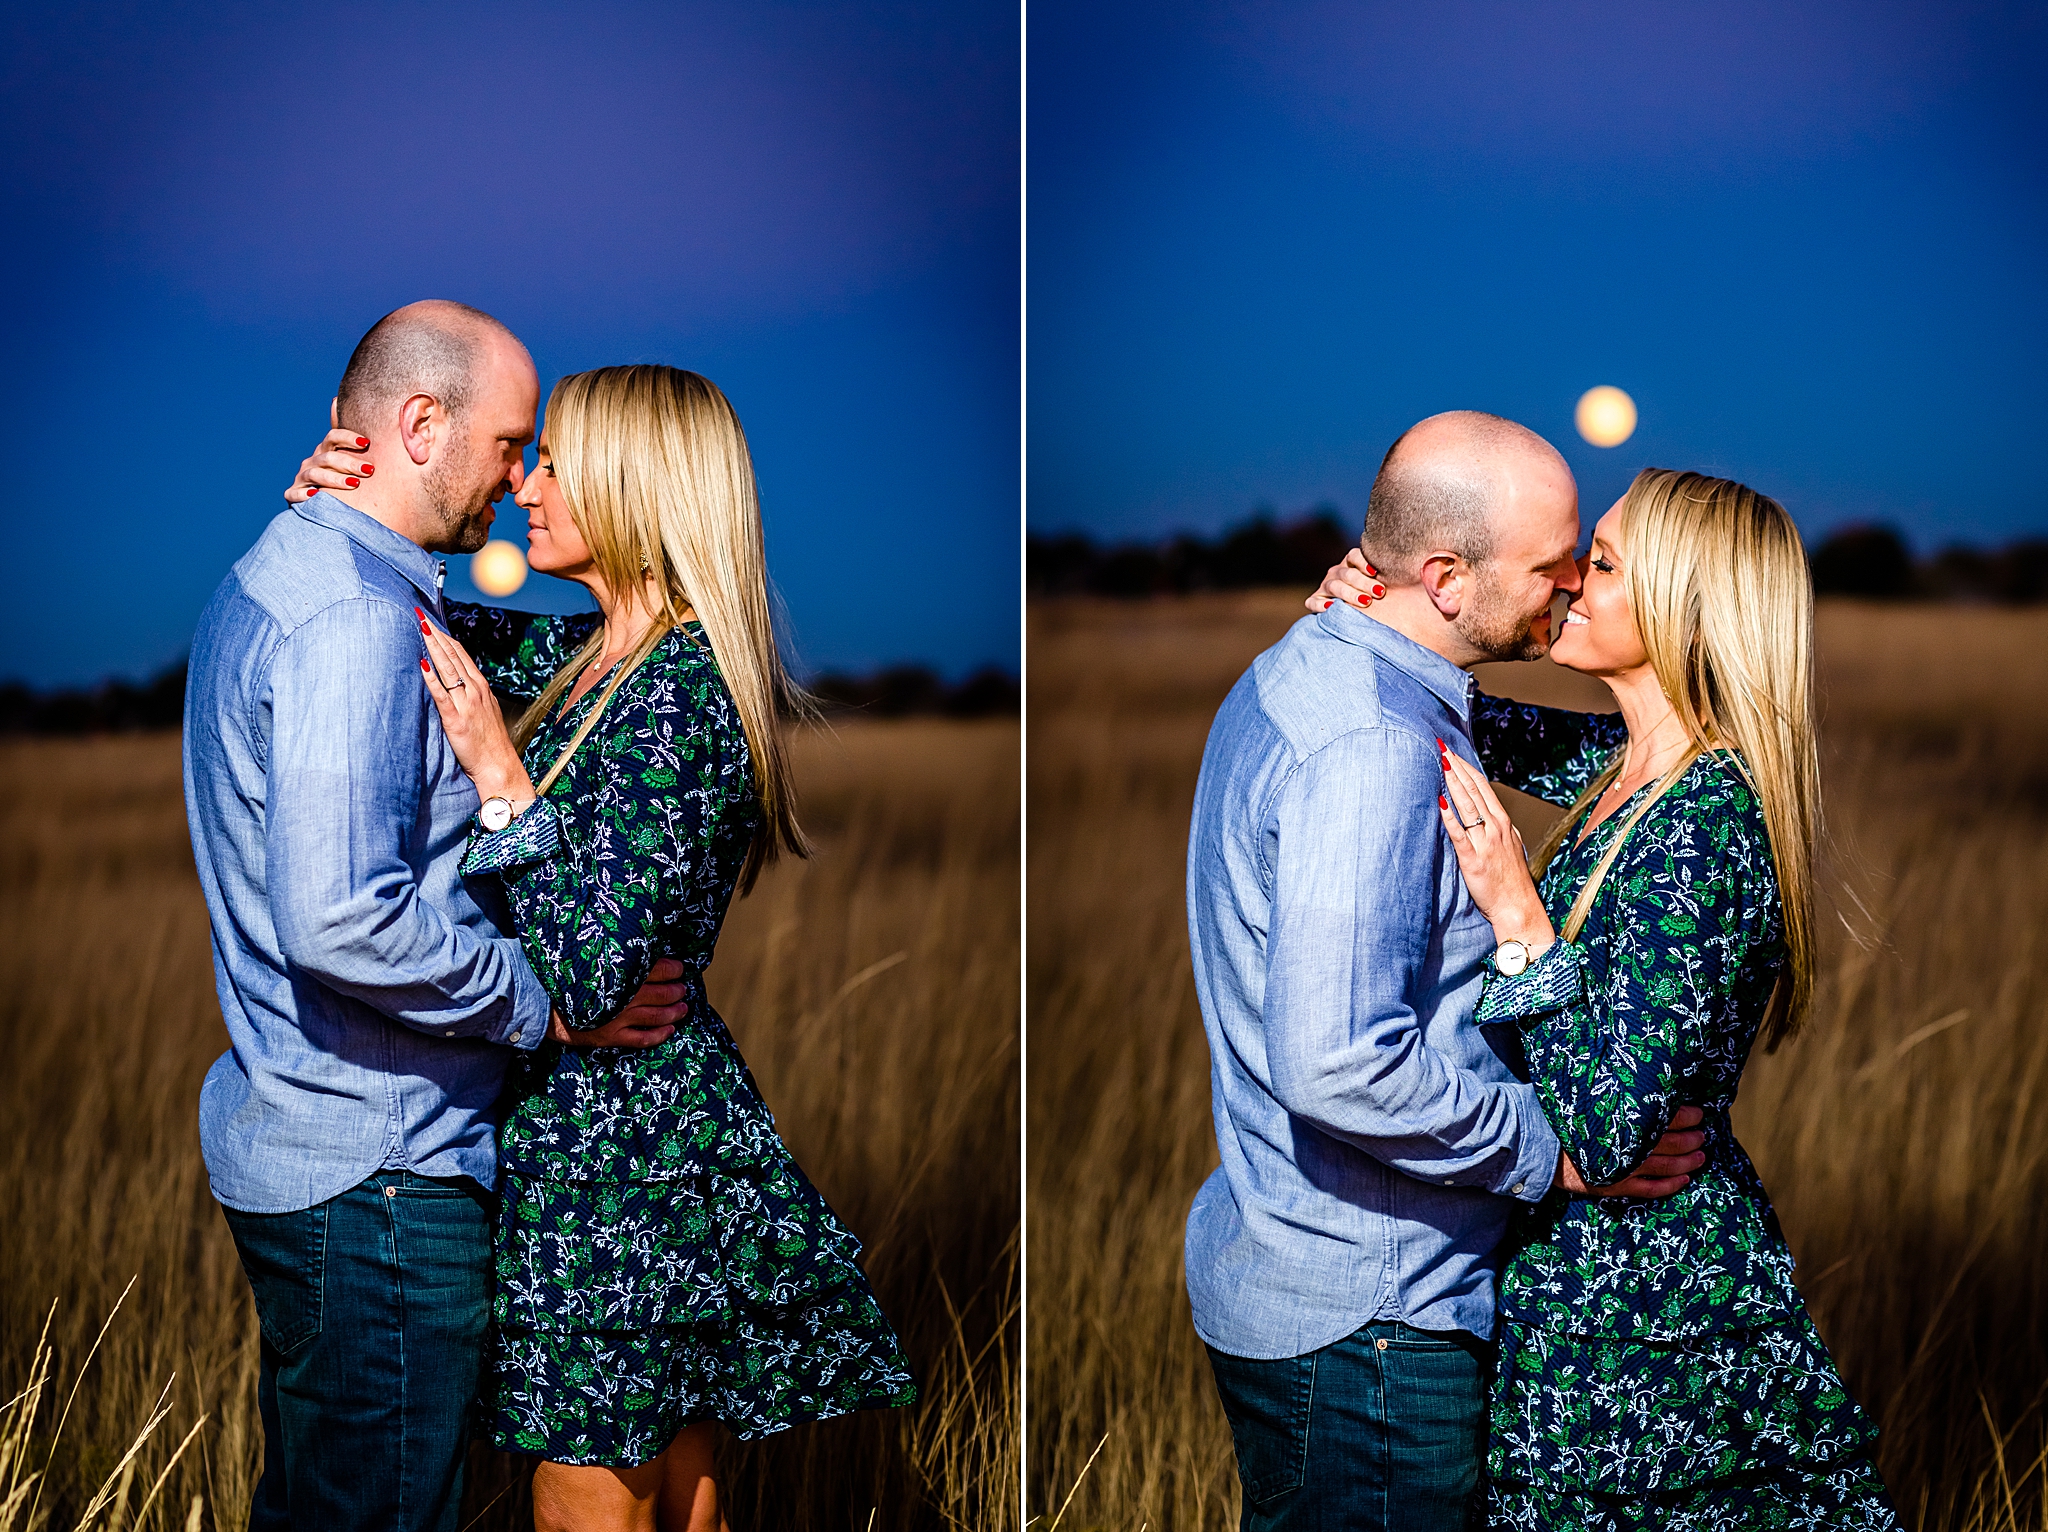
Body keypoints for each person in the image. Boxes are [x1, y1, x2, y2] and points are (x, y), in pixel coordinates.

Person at [290, 363, 915, 1531]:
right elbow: (404, 614)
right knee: (678, 1505)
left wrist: (501, 779)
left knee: (593, 1505)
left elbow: (588, 976)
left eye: (559, 461)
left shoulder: (681, 693)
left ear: (638, 484)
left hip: (618, 1162)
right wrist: (333, 504)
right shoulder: (590, 659)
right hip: (628, 1139)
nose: (526, 483)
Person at [184, 301, 690, 1532]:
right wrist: (549, 1004)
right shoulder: (354, 620)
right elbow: (342, 922)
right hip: (380, 1178)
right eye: (511, 442)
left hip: (323, 1148)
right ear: (421, 424)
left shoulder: (295, 573)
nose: (518, 479)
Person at [1316, 469, 1898, 1528]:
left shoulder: (1704, 822)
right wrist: (1370, 607)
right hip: (1581, 1281)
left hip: (1647, 1307)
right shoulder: (1629, 758)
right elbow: (1465, 716)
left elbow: (1607, 1131)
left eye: (1607, 564)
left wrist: (1519, 921)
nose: (1574, 578)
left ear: (1680, 606)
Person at [1185, 411, 1705, 1532]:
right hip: (1372, 1310)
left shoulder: (1321, 673)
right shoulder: (1372, 743)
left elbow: (1626, 761)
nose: (1568, 583)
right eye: (1553, 561)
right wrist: (1552, 1151)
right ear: (1444, 574)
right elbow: (1334, 1061)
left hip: (1324, 1274)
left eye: (1590, 557)